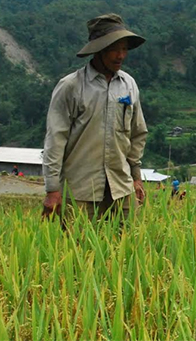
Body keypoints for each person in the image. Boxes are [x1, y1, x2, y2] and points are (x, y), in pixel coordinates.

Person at [42, 13, 148, 222]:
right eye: (114, 49)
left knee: (126, 250)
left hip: (121, 188)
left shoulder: (128, 85)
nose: (120, 56)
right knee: (76, 251)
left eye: (124, 49)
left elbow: (137, 133)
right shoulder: (71, 86)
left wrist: (136, 177)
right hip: (80, 191)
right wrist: (52, 189)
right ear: (99, 50)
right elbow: (56, 138)